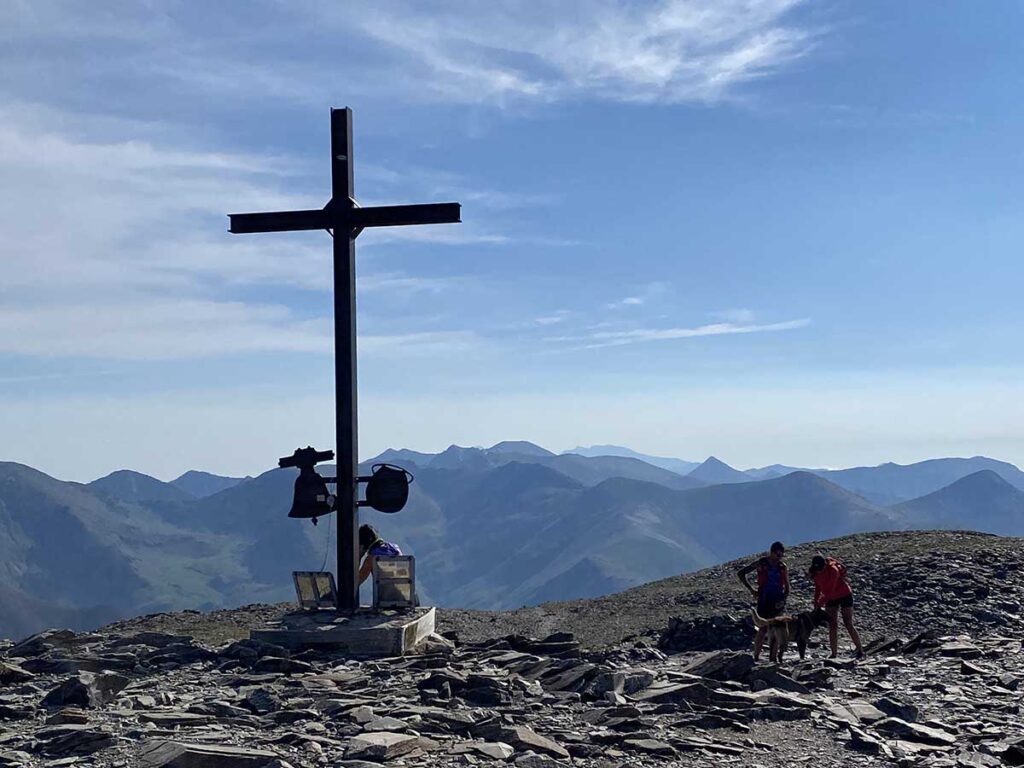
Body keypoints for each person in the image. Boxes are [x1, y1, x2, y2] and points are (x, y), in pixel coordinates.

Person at [737, 541, 790, 662]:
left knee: (777, 629)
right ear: (771, 552)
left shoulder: (783, 567)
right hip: (764, 600)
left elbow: (787, 586)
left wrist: (783, 600)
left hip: (777, 601)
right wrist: (751, 590)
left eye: (781, 555)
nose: (779, 558)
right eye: (777, 555)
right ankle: (756, 656)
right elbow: (741, 573)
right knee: (763, 628)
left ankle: (773, 658)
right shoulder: (761, 563)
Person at [808, 554, 864, 659]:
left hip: (844, 594)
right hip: (830, 599)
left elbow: (830, 590)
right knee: (832, 625)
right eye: (818, 569)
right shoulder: (815, 573)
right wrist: (815, 603)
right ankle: (834, 654)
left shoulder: (833, 570)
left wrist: (820, 604)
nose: (820, 571)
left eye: (821, 569)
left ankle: (860, 650)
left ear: (825, 565)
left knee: (848, 623)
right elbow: (818, 589)